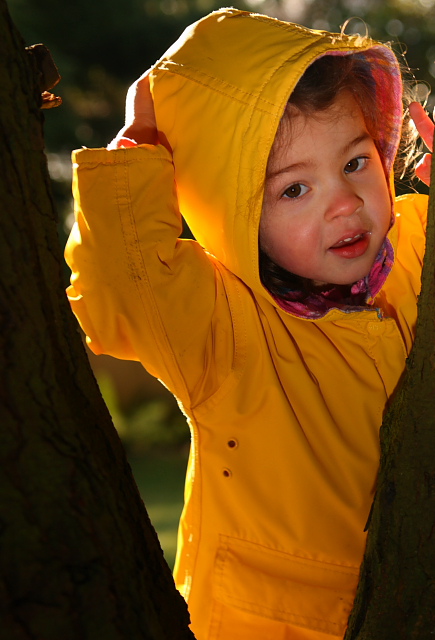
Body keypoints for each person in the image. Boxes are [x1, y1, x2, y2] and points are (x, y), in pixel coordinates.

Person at [65, 8, 434, 639]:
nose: (344, 203)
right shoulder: (222, 328)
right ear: (233, 210)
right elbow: (124, 288)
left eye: (354, 163)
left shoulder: (420, 248)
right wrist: (133, 156)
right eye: (293, 190)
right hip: (277, 623)